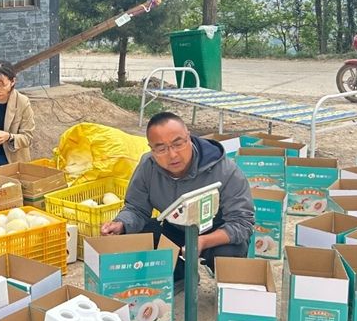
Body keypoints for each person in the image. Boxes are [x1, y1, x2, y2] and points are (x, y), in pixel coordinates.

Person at [100, 112, 254, 287]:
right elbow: (136, 208)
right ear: (151, 148)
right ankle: (179, 273)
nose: (172, 155)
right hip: (174, 227)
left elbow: (242, 222)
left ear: (188, 137)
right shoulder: (148, 166)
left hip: (214, 232)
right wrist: (121, 224)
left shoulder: (225, 170)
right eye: (161, 149)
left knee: (230, 253)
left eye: (178, 144)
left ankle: (224, 284)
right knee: (133, 235)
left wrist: (202, 241)